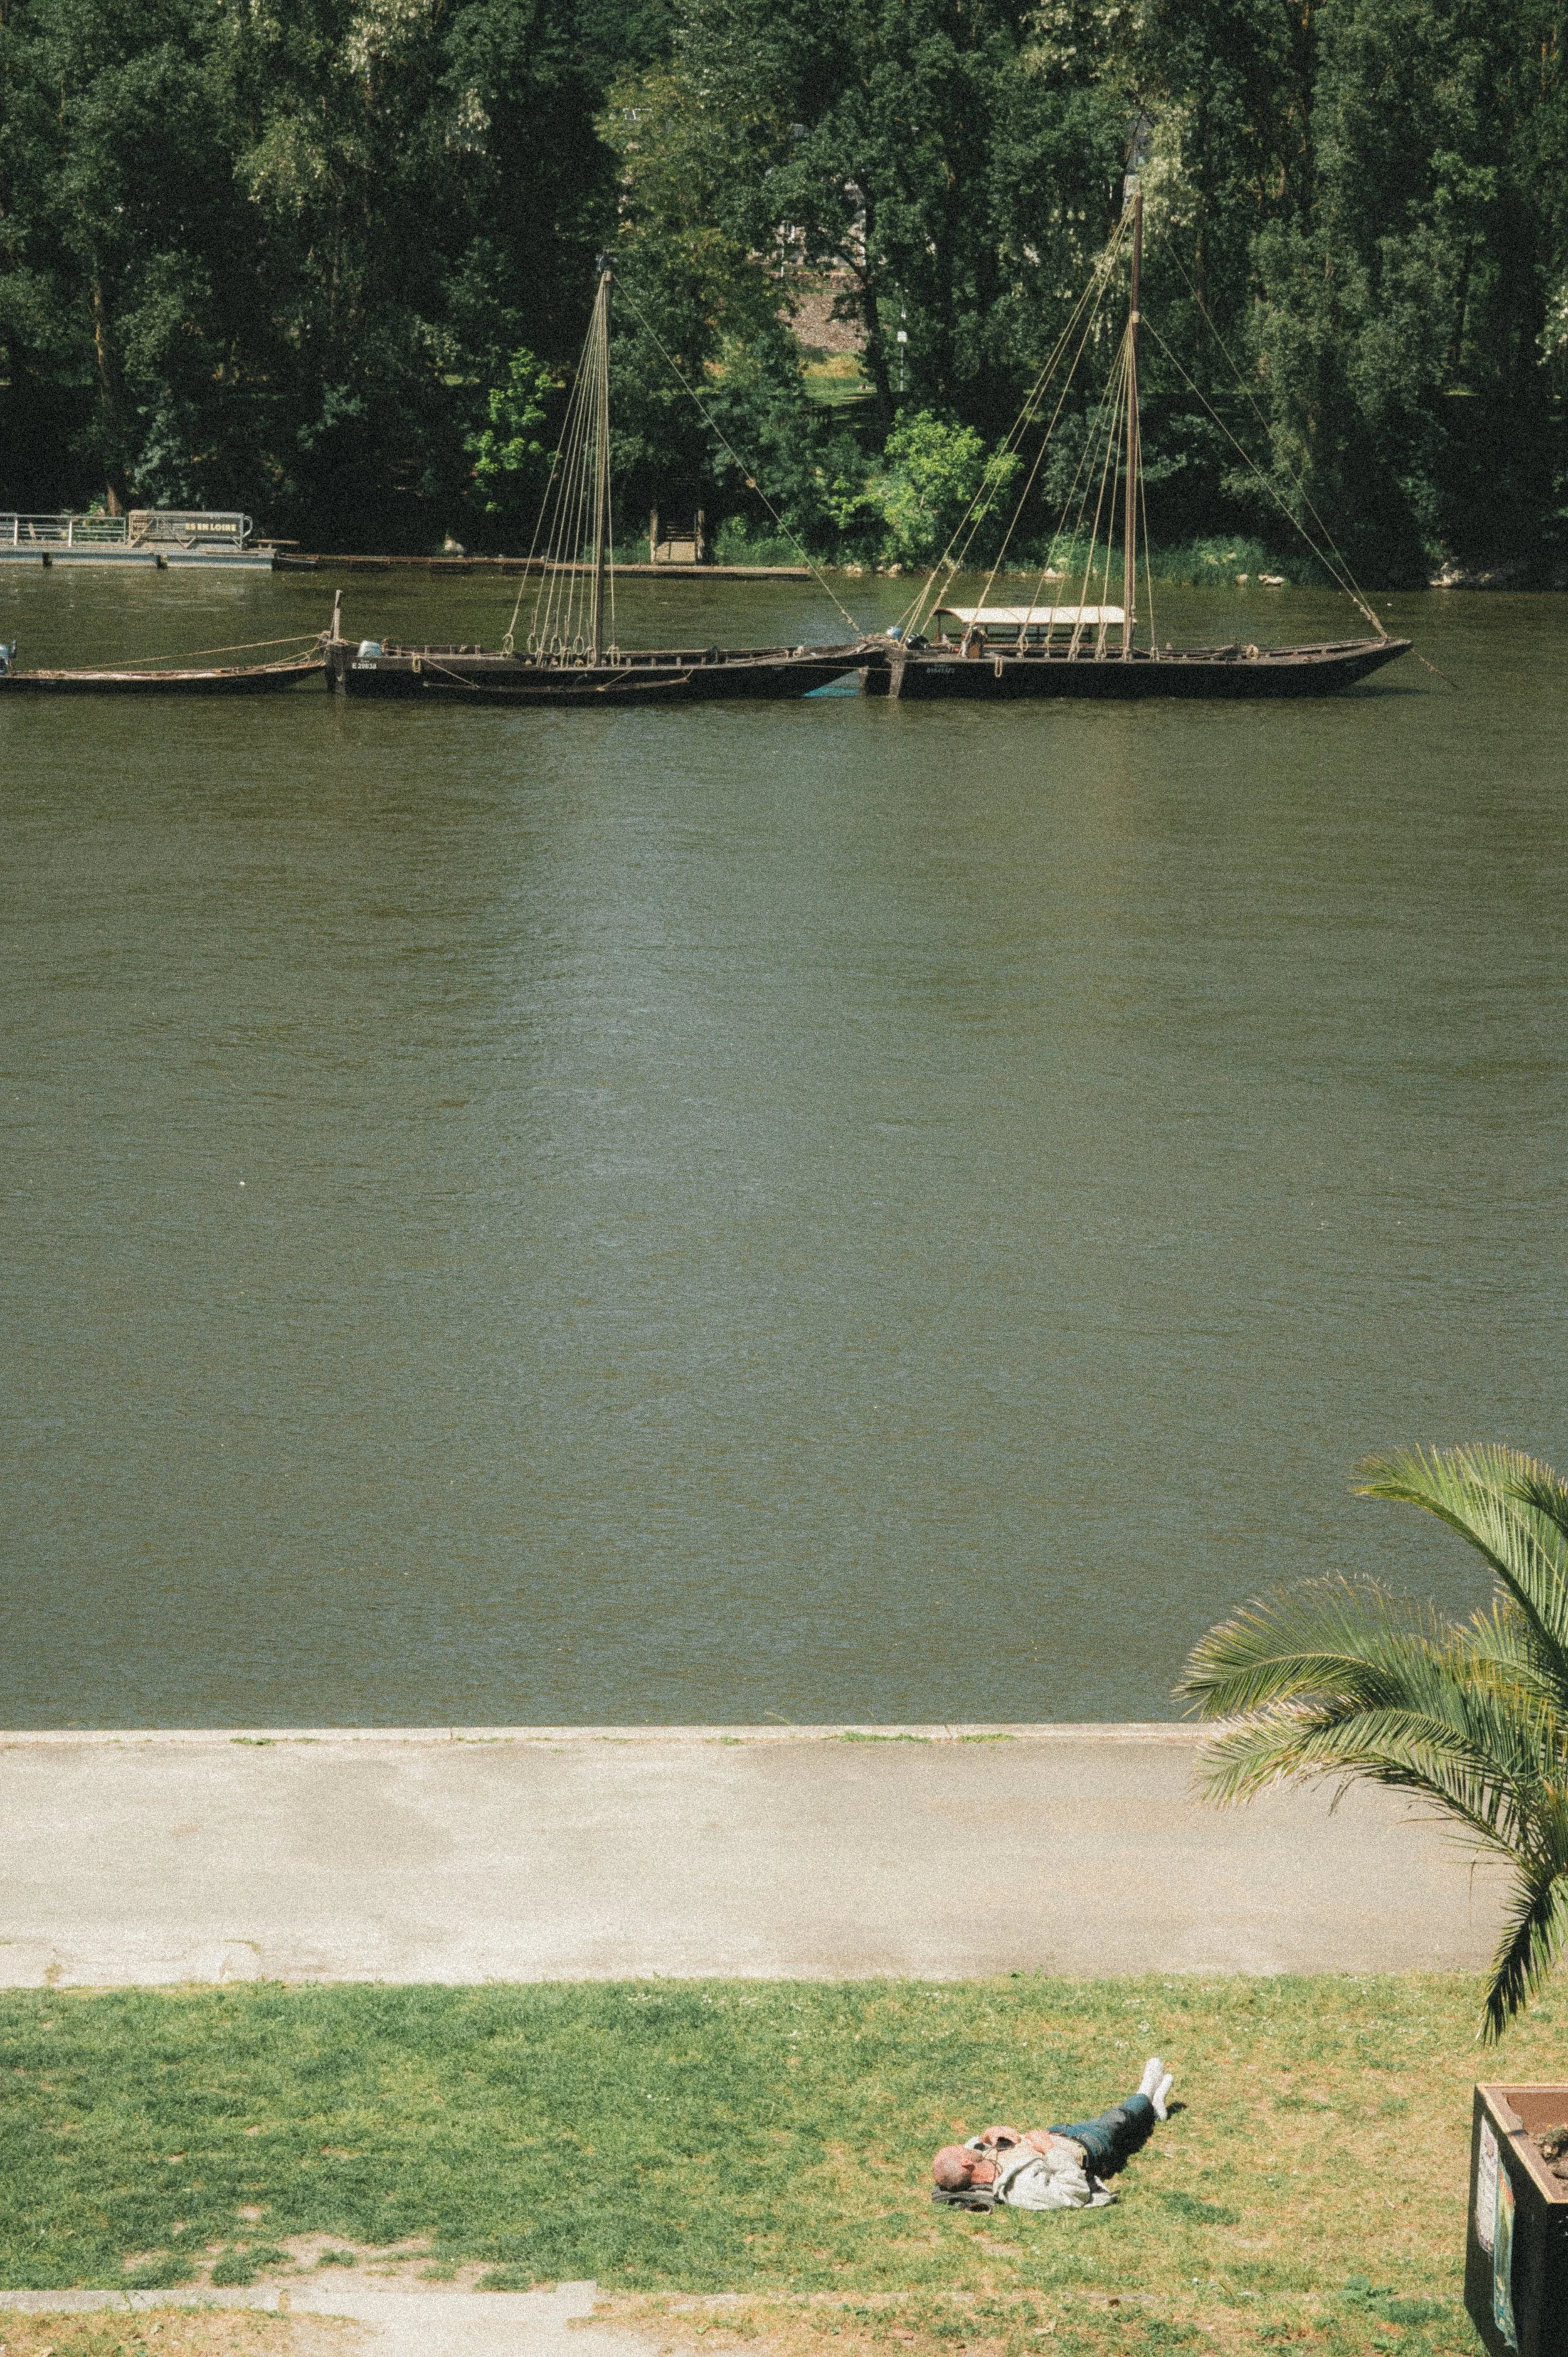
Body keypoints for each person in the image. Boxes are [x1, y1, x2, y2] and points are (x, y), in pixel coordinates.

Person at [931, 2056, 1174, 2211]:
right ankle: (1145, 2093)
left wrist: (990, 2133)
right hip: (1086, 2147)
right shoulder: (1020, 2188)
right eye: (962, 2149)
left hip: (1061, 2132)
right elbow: (1074, 2192)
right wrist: (1049, 2150)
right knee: (1121, 2117)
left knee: (1127, 2130)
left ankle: (1154, 2111)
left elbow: (976, 2141)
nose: (968, 2145)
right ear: (966, 2165)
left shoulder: (980, 2156)